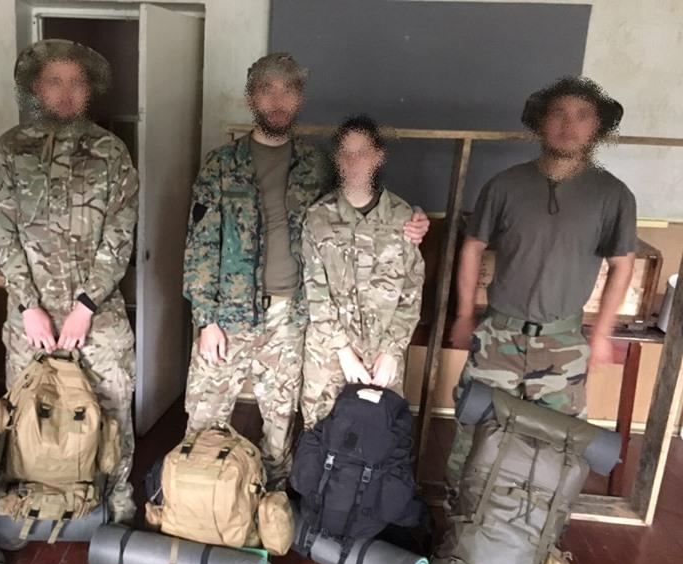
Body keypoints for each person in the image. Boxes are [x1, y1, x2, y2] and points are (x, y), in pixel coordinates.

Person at [183, 53, 430, 487]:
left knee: (280, 430)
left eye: (289, 90)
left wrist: (414, 221)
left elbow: (356, 210)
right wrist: (206, 320)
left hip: (292, 318)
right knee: (203, 420)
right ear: (251, 97)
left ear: (300, 99)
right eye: (267, 89)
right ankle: (196, 504)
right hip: (227, 316)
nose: (278, 100)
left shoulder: (316, 166)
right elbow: (199, 245)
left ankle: (273, 505)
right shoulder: (221, 165)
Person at [446, 76, 637, 490]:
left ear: (597, 127)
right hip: (498, 335)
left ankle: (539, 524)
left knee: (557, 445)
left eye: (582, 116)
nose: (569, 125)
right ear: (541, 122)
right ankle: (460, 519)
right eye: (558, 114)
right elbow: (472, 249)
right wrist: (464, 315)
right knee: (473, 431)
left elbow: (623, 265)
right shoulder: (505, 185)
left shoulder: (612, 195)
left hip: (563, 341)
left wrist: (601, 334)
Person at [0, 40, 138, 522]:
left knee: (112, 404)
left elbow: (120, 233)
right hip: (30, 318)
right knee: (31, 410)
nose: (66, 92)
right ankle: (30, 492)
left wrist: (86, 306)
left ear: (89, 90)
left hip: (98, 314)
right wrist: (28, 305)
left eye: (76, 82)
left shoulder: (110, 151)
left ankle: (116, 492)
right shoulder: (11, 149)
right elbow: (0, 234)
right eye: (54, 81)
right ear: (36, 88)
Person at [301, 115, 425, 428]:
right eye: (345, 153)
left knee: (377, 434)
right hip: (329, 356)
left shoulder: (402, 217)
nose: (353, 161)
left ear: (378, 157)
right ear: (336, 158)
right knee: (320, 433)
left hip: (383, 357)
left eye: (362, 153)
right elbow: (315, 292)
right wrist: (343, 352)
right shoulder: (318, 217)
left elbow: (412, 290)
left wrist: (391, 352)